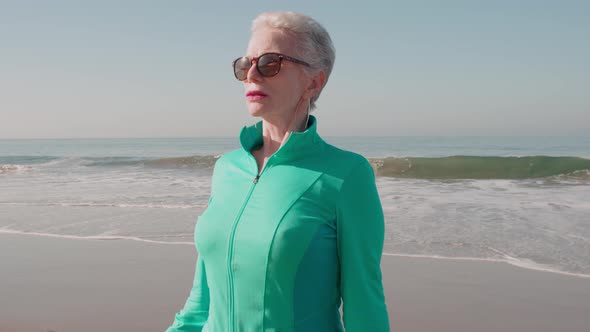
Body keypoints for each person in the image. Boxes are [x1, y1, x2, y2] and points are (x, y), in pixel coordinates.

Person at [167, 11, 390, 332]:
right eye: (245, 65)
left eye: (270, 63)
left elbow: (364, 305)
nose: (252, 75)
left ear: (314, 81)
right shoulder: (226, 168)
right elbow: (200, 303)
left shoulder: (346, 174)